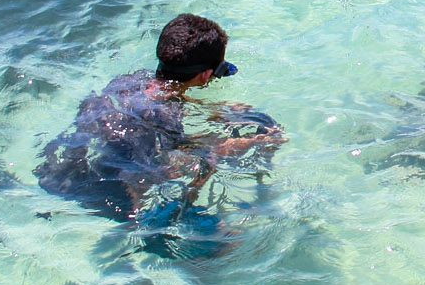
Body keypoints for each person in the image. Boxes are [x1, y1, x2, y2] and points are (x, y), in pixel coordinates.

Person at [34, 13, 283, 224]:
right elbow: (194, 155)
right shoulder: (165, 119)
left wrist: (214, 110)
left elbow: (160, 99)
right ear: (206, 75)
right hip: (112, 197)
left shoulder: (128, 82)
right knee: (231, 239)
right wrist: (257, 140)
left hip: (58, 171)